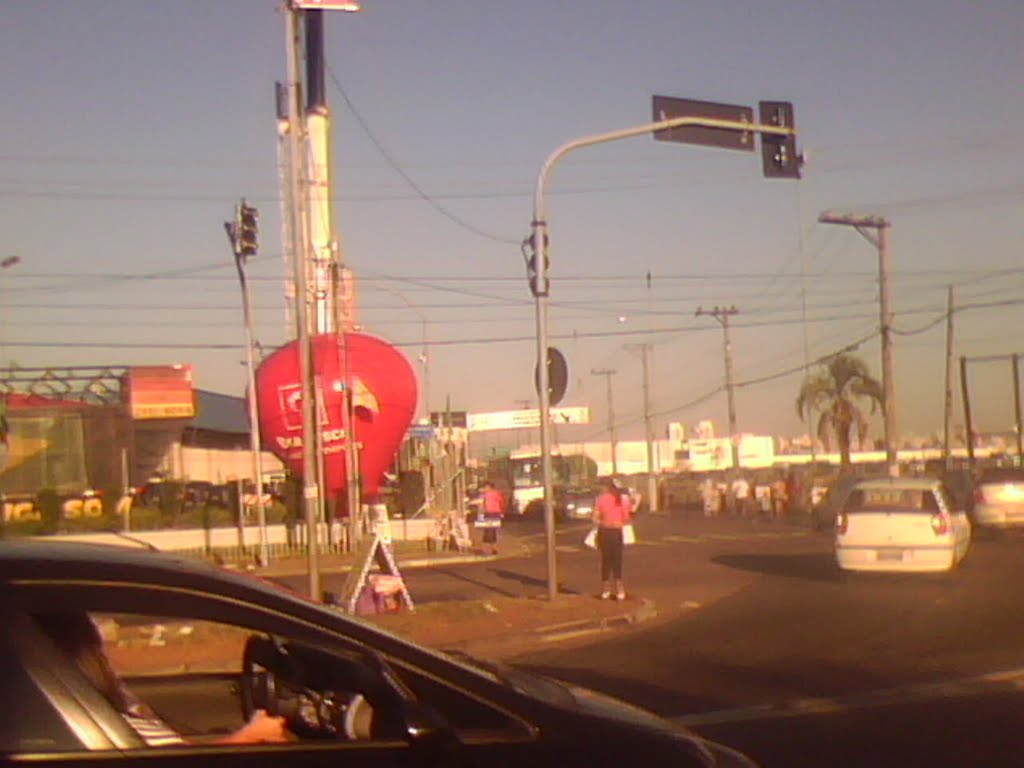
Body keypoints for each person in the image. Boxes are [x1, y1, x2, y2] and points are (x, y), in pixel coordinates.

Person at [32, 610, 290, 747]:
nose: (106, 648)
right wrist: (248, 738)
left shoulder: (81, 716)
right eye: (96, 642)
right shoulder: (96, 722)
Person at [592, 477, 632, 601]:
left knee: (610, 560)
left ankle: (610, 589)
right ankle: (614, 589)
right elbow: (626, 518)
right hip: (611, 532)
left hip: (609, 532)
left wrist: (603, 522)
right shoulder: (617, 500)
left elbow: (595, 517)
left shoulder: (605, 500)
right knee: (612, 560)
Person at [477, 481, 505, 555]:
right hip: (490, 513)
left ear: (490, 487)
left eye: (486, 487)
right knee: (490, 531)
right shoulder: (486, 494)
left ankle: (490, 548)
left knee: (490, 531)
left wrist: (501, 512)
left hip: (493, 513)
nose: (485, 488)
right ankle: (489, 549)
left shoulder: (494, 494)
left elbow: (501, 503)